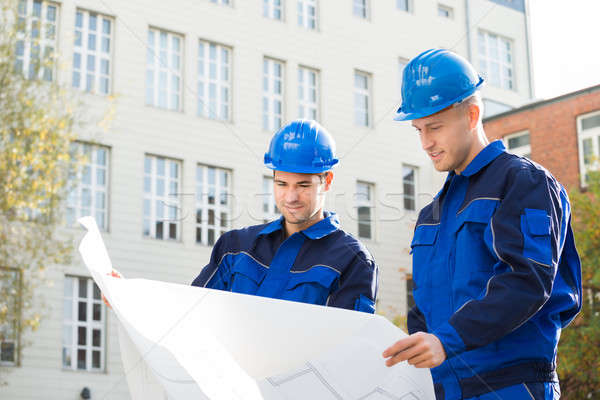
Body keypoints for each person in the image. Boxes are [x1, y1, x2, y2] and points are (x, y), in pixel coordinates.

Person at [382, 49, 582, 400]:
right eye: (419, 130)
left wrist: (447, 340)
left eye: (435, 127)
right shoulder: (433, 213)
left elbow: (528, 281)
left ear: (472, 114)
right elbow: (424, 309)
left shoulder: (522, 183)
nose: (426, 142)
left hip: (512, 388)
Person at [190, 119, 378, 312]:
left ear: (327, 181)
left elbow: (347, 338)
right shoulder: (235, 246)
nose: (291, 197)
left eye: (303, 185)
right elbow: (196, 315)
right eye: (282, 184)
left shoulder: (352, 260)